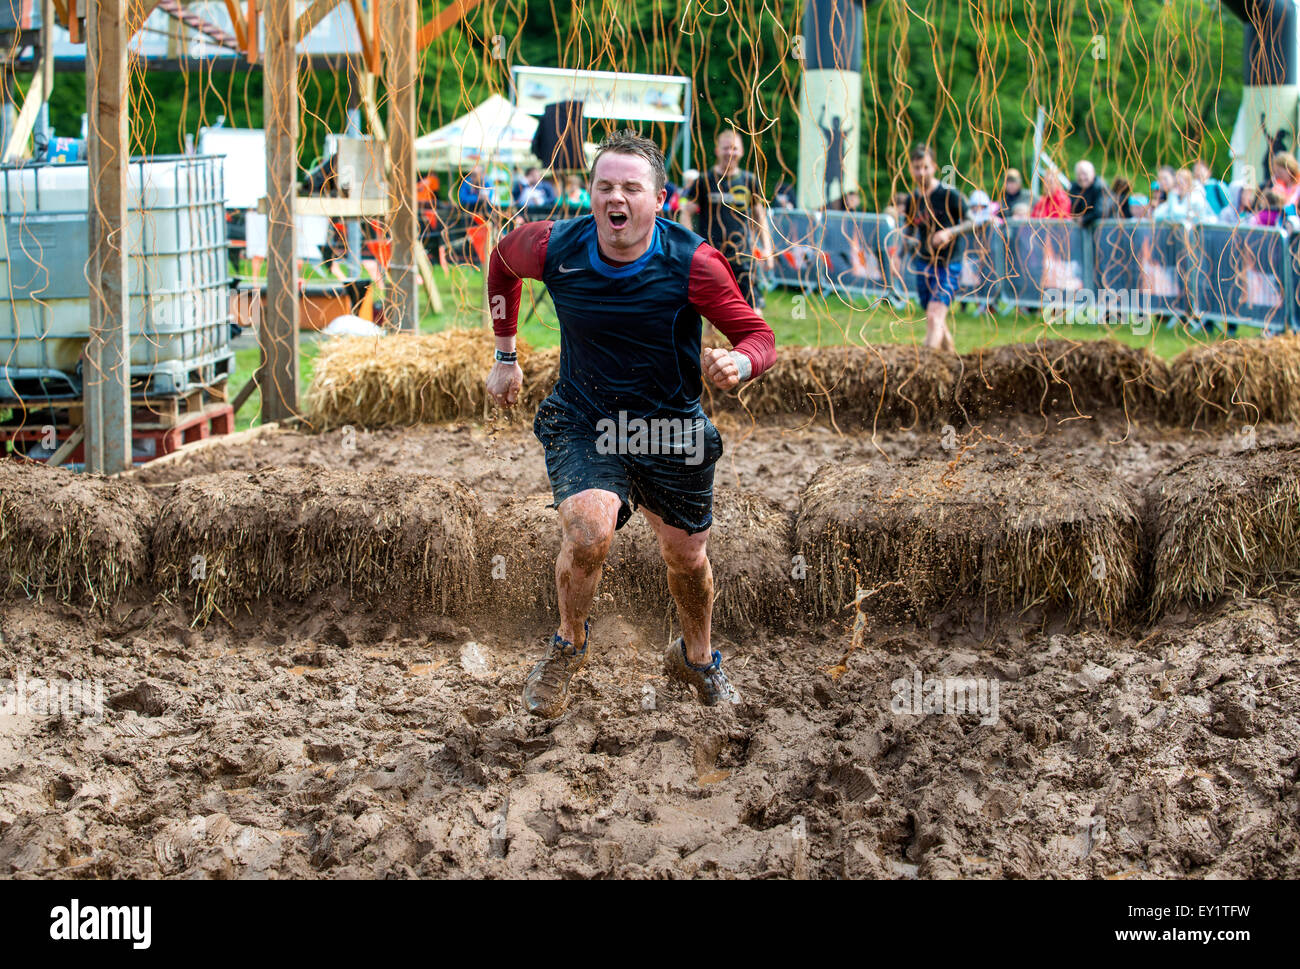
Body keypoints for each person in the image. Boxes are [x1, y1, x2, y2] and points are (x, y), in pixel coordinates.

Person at [484, 130, 777, 717]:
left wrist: (740, 361)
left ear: (659, 199)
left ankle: (697, 659)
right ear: (591, 193)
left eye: (631, 188)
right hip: (586, 417)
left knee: (687, 559)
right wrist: (505, 353)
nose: (616, 198)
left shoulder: (693, 262)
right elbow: (500, 260)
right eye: (605, 186)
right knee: (590, 531)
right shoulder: (553, 245)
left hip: (669, 427)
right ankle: (568, 645)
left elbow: (760, 336)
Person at [679, 129, 775, 313]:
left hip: (742, 254)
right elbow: (686, 211)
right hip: (711, 255)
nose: (730, 152)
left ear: (741, 151)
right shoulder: (704, 180)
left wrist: (767, 248)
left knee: (752, 307)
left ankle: (757, 341)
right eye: (725, 148)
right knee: (710, 308)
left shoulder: (749, 180)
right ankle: (710, 341)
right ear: (717, 151)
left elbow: (759, 215)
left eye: (734, 148)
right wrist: (689, 244)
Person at [901, 143, 973, 352]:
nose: (921, 172)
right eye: (916, 167)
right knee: (934, 317)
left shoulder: (949, 194)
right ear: (911, 169)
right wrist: (900, 252)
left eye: (925, 167)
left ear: (934, 167)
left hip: (949, 262)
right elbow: (909, 229)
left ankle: (925, 367)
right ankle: (952, 362)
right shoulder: (912, 199)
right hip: (924, 262)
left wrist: (949, 232)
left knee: (934, 315)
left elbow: (972, 221)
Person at [1068, 160, 1115, 228]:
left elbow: (1102, 212)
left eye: (1084, 174)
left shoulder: (1101, 187)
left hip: (1106, 230)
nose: (1082, 177)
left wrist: (1084, 219)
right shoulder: (1075, 187)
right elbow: (1071, 208)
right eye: (1079, 174)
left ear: (1092, 173)